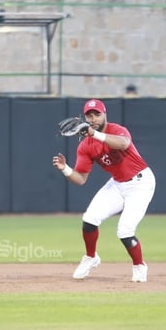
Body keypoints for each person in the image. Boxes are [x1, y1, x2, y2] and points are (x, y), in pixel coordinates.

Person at [52, 98, 155, 282]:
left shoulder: (117, 130)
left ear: (105, 114)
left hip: (141, 183)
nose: (93, 119)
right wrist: (65, 169)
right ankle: (91, 257)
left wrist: (93, 133)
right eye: (89, 115)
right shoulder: (85, 146)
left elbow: (123, 144)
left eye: (97, 114)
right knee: (89, 219)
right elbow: (81, 179)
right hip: (117, 184)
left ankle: (139, 266)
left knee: (125, 230)